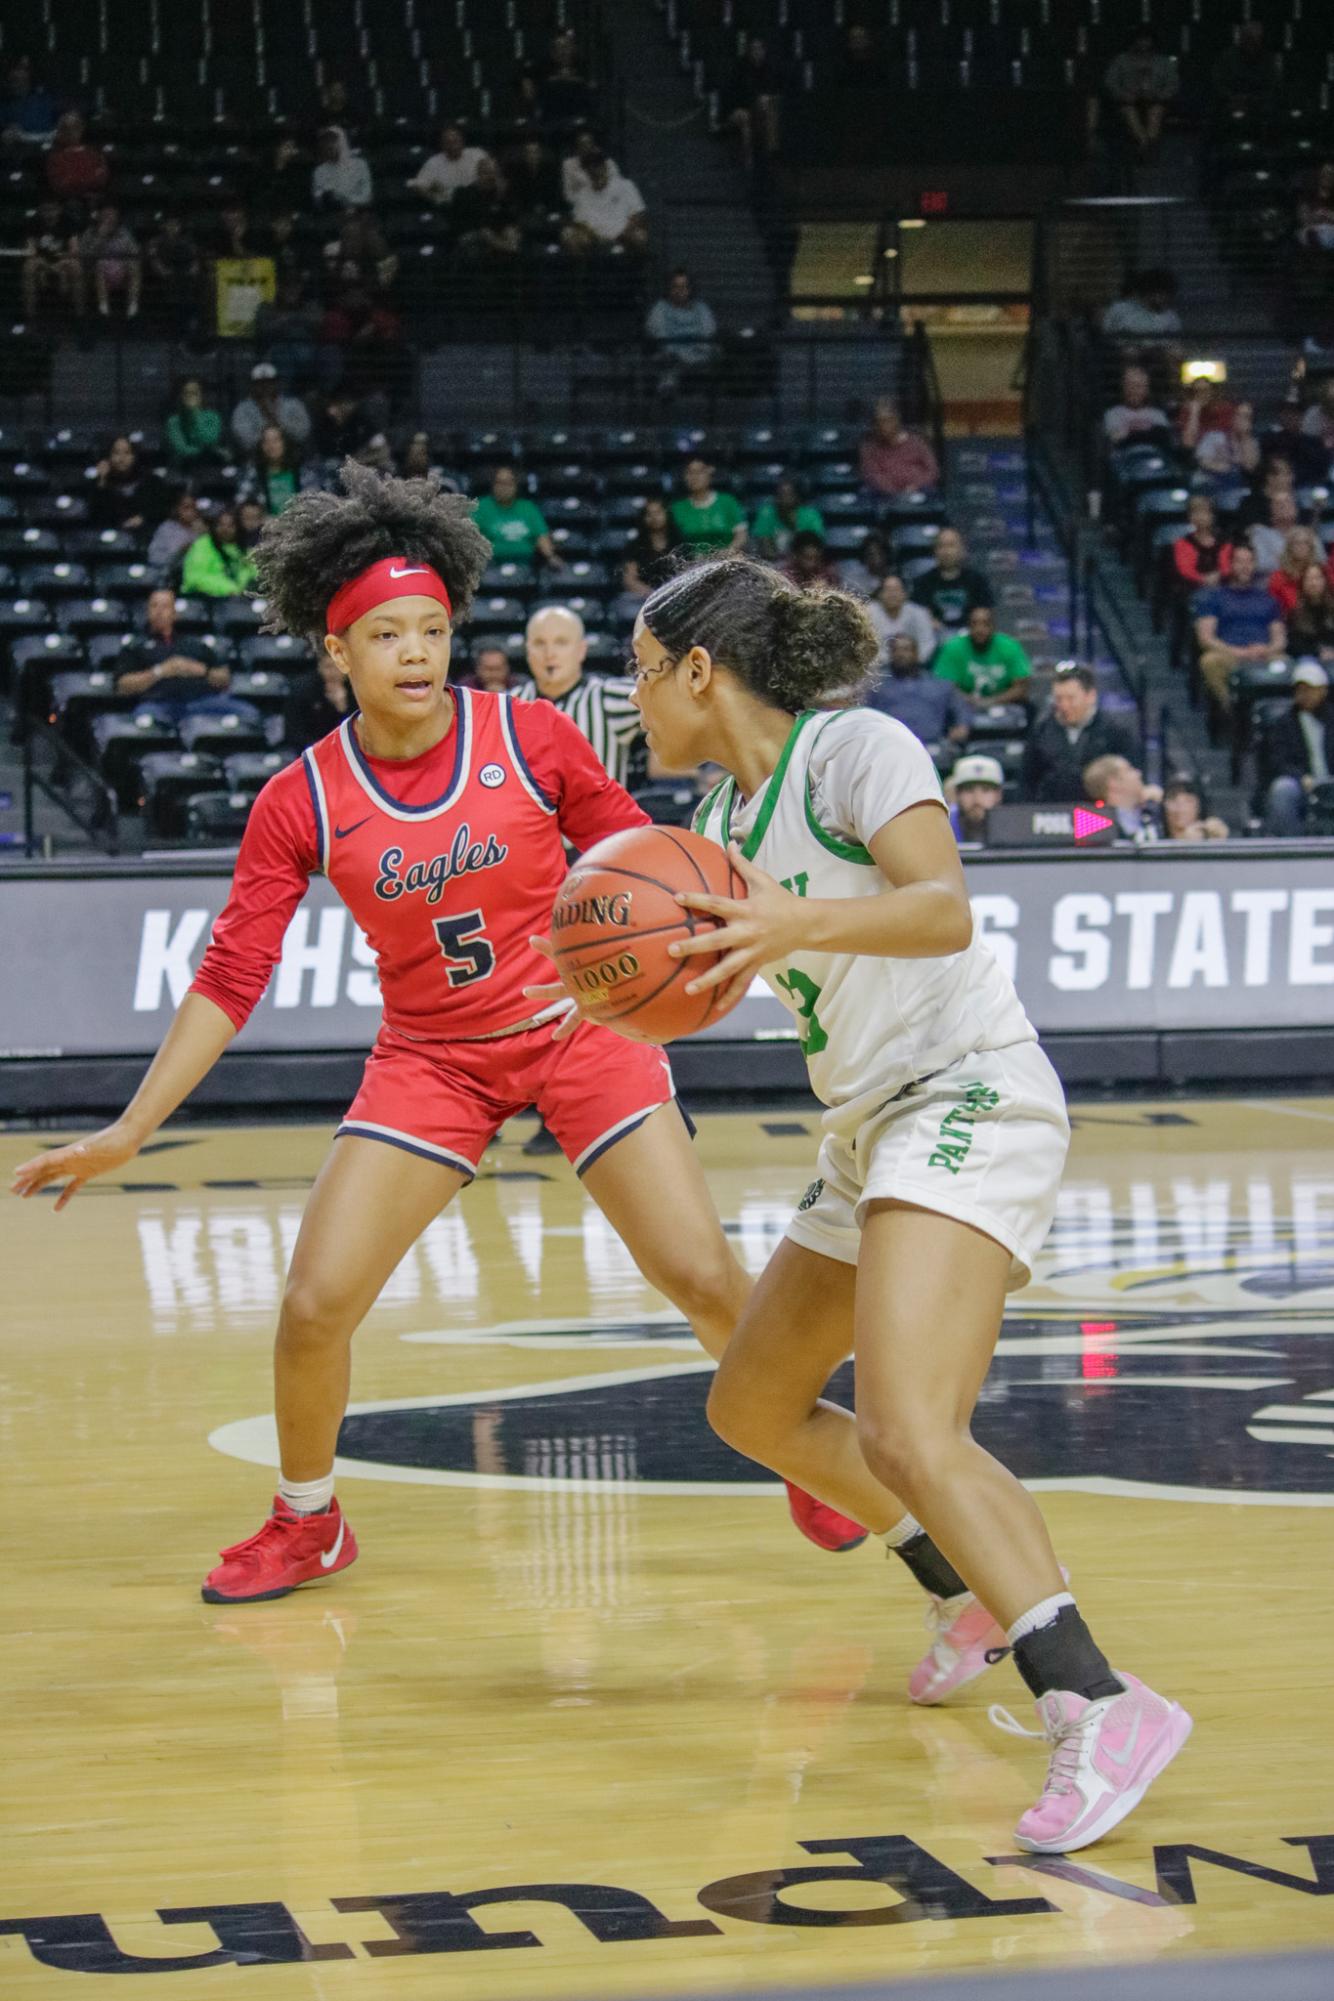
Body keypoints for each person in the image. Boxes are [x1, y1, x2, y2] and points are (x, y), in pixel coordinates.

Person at [12, 468, 866, 1595]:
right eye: (385, 633)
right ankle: (307, 1519)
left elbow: (649, 866)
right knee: (314, 1302)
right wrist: (130, 1128)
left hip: (577, 1033)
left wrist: (675, 969)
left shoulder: (530, 737)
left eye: (431, 628)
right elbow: (232, 972)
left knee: (701, 1275)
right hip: (433, 1058)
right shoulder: (300, 798)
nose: (414, 651)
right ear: (338, 650)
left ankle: (809, 1460)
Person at [609, 554, 1190, 1854]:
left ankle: (1099, 1698)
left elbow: (940, 909)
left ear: (701, 671)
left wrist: (787, 926)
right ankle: (964, 1595)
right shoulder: (717, 820)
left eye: (641, 674)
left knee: (907, 1428)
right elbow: (708, 950)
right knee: (750, 1400)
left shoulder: (852, 748)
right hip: (870, 1127)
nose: (631, 699)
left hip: (965, 1089)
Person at [517, 605, 642, 790]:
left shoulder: (607, 698)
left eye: (561, 642)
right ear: (527, 650)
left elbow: (671, 700)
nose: (549, 653)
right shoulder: (509, 705)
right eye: (539, 643)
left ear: (581, 649)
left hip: (600, 818)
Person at [105, 587, 258, 738]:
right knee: (144, 719)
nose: (159, 611)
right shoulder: (136, 646)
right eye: (154, 606)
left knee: (249, 713)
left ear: (174, 613)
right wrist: (160, 671)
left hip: (201, 701)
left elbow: (224, 679)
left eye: (165, 606)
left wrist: (200, 670)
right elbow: (122, 686)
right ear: (148, 611)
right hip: (158, 704)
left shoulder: (194, 644)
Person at [1020, 664, 1141, 802]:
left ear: (1091, 696)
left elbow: (1131, 778)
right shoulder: (1041, 732)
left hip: (1098, 816)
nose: (1064, 705)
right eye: (1059, 699)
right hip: (1052, 814)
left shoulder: (1116, 732)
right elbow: (1028, 781)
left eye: (1071, 698)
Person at [1193, 543, 1288, 714]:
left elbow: (1280, 639)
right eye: (1239, 561)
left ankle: (1278, 713)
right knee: (1209, 661)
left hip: (1263, 656)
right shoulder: (1214, 598)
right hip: (1230, 656)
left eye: (1249, 561)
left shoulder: (1268, 600)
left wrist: (1265, 650)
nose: (1245, 566)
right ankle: (1232, 709)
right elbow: (1205, 638)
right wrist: (1237, 652)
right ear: (1230, 565)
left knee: (1286, 663)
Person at [1256, 662, 1334, 835]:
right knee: (1283, 790)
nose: (1305, 694)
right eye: (1301, 689)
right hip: (1302, 784)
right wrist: (1302, 778)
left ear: (1323, 690)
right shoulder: (1283, 724)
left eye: (1310, 689)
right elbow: (1277, 762)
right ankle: (1290, 846)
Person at [868, 634, 970, 748]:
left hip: (932, 746)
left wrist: (962, 726)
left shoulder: (939, 684)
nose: (900, 654)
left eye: (906, 650)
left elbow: (961, 708)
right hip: (891, 747)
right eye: (895, 650)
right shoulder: (877, 687)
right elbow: (864, 714)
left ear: (917, 654)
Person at [932, 607, 1033, 706]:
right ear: (968, 627)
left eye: (986, 624)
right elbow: (945, 686)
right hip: (963, 703)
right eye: (974, 624)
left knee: (1029, 708)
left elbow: (1021, 687)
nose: (980, 629)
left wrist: (992, 701)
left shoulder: (1010, 646)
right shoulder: (953, 647)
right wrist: (969, 700)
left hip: (1004, 702)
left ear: (993, 626)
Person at [472, 464, 563, 570]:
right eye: (499, 483)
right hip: (491, 566)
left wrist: (550, 556)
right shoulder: (481, 507)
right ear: (493, 485)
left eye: (508, 483)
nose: (504, 487)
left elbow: (541, 536)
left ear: (516, 486)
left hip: (526, 565)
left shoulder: (528, 507)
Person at [1103, 31, 1177, 157]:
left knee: (1156, 111)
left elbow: (1173, 83)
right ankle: (1144, 142)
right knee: (1129, 112)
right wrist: (1123, 94)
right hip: (1128, 101)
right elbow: (1110, 81)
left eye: (1147, 40)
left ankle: (1149, 143)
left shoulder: (1164, 62)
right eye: (1141, 40)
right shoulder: (1121, 60)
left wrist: (1159, 95)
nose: (1144, 44)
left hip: (1155, 100)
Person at [644, 270, 718, 392]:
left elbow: (708, 331)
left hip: (698, 352)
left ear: (690, 289)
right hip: (670, 354)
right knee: (666, 360)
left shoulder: (702, 308)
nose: (680, 291)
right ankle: (668, 390)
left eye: (684, 286)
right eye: (675, 286)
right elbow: (658, 332)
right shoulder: (660, 308)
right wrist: (674, 352)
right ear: (669, 288)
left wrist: (699, 349)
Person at [562, 152, 648, 256]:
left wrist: (623, 233)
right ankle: (584, 270)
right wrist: (596, 237)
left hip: (624, 235)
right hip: (594, 238)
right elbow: (580, 222)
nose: (595, 171)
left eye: (598, 166)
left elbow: (638, 214)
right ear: (587, 172)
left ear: (605, 167)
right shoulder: (582, 194)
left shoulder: (626, 185)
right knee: (570, 236)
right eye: (590, 168)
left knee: (640, 236)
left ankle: (639, 270)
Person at [912, 528, 993, 635]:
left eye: (951, 546)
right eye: (941, 546)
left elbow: (986, 614)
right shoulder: (923, 582)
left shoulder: (977, 581)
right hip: (934, 638)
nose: (947, 551)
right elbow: (917, 614)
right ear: (935, 551)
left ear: (962, 550)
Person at [722, 35, 783, 170]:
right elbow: (733, 96)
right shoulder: (740, 68)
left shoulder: (769, 69)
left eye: (759, 49)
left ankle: (771, 156)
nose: (757, 52)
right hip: (739, 109)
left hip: (761, 111)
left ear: (764, 51)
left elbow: (773, 91)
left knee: (770, 109)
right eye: (753, 49)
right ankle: (749, 161)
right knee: (745, 118)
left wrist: (765, 99)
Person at [858, 399, 940, 498]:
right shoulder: (870, 448)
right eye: (878, 422)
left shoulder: (917, 442)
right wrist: (895, 492)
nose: (882, 426)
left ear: (897, 420)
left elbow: (932, 470)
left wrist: (915, 486)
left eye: (886, 421)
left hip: (918, 490)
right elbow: (873, 475)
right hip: (886, 495)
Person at [231, 363, 312, 456]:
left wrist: (276, 421)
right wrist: (268, 430)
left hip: (293, 456)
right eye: (260, 383)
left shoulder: (294, 404)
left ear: (277, 383)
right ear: (253, 385)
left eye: (269, 382)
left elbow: (303, 433)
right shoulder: (243, 409)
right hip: (257, 459)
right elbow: (246, 441)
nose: (265, 386)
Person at [77, 202, 140, 319]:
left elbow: (134, 252)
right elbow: (84, 257)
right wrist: (100, 237)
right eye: (106, 214)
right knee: (99, 265)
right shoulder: (90, 233)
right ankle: (103, 308)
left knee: (133, 266)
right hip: (95, 271)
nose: (109, 218)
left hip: (121, 270)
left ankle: (133, 305)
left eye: (112, 215)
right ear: (99, 216)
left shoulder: (124, 233)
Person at [89, 435, 164, 534]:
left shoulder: (151, 480)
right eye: (116, 453)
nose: (121, 458)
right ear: (108, 457)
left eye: (127, 453)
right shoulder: (98, 484)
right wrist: (102, 480)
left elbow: (161, 507)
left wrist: (143, 518)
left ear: (134, 456)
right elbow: (96, 514)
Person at [670, 457, 747, 554]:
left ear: (710, 473)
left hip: (726, 560)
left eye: (699, 472)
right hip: (690, 564)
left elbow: (741, 536)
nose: (694, 477)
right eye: (689, 472)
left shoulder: (728, 502)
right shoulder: (677, 508)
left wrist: (727, 553)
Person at [1081, 754, 1163, 844]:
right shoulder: (1095, 825)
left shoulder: (1155, 811)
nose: (1138, 773)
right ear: (1113, 783)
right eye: (1129, 770)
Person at [181, 506, 260, 598]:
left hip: (238, 601)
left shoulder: (243, 549)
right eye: (221, 525)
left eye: (230, 526)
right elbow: (195, 578)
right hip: (205, 600)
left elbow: (254, 573)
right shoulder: (202, 545)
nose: (225, 529)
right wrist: (231, 589)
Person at [21, 198, 81, 319]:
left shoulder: (68, 221)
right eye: (45, 210)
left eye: (52, 209)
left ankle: (80, 313)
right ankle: (29, 314)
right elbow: (31, 250)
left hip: (64, 258)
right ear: (40, 211)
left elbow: (74, 250)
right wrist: (47, 266)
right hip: (41, 259)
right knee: (28, 267)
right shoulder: (33, 222)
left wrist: (59, 265)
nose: (49, 213)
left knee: (76, 267)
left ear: (59, 209)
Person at [451, 157, 522, 258]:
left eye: (494, 173)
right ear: (478, 174)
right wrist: (490, 229)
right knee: (486, 233)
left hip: (496, 230)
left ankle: (507, 250)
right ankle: (510, 249)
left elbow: (511, 218)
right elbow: (472, 220)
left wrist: (501, 196)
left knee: (511, 231)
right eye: (486, 173)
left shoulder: (500, 193)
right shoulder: (464, 193)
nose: (491, 177)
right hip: (472, 231)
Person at [283, 650, 351, 751]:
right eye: (328, 667)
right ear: (319, 667)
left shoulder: (356, 689)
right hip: (310, 749)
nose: (333, 673)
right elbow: (294, 730)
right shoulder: (303, 689)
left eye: (337, 666)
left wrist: (343, 708)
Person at [865, 572, 937, 668]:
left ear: (905, 594)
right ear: (880, 594)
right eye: (888, 590)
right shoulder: (868, 613)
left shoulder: (919, 613)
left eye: (896, 590)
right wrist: (893, 661)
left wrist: (913, 660)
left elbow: (927, 643)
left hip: (915, 665)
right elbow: (867, 647)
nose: (892, 594)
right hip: (880, 668)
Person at [410, 123, 490, 205]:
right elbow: (418, 186)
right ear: (442, 144)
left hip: (478, 202)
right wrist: (437, 199)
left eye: (455, 140)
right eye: (448, 142)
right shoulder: (433, 162)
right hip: (449, 206)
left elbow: (493, 178)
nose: (453, 145)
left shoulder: (478, 154)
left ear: (462, 140)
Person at [241, 423, 311, 516]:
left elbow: (314, 503)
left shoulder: (303, 472)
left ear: (285, 443)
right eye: (266, 441)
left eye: (276, 440)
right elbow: (242, 503)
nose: (271, 445)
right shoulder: (254, 475)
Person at [751, 477, 825, 561]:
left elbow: (813, 547)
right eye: (780, 494)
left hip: (801, 564)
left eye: (788, 494)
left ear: (797, 496)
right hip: (773, 563)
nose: (783, 498)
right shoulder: (767, 513)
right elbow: (764, 545)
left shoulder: (811, 515)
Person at [622, 496, 682, 598]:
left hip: (675, 595)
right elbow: (629, 579)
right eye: (649, 514)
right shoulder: (635, 545)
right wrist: (652, 595)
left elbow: (686, 573)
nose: (654, 518)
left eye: (658, 513)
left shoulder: (679, 542)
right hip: (644, 596)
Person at [44, 109, 108, 204]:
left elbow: (101, 178)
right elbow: (59, 184)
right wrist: (85, 182)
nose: (70, 132)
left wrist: (77, 181)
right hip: (66, 202)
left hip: (94, 199)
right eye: (65, 129)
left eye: (75, 128)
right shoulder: (55, 157)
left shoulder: (94, 153)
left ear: (82, 129)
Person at [1268, 528, 1332, 621]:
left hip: (1323, 619)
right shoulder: (1278, 577)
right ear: (1289, 547)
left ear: (1311, 547)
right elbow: (1274, 608)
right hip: (1290, 623)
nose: (1302, 546)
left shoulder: (1322, 571)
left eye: (1305, 543)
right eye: (1297, 543)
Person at [1100, 270, 1182, 342]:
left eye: (1165, 294)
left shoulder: (1170, 316)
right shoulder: (1120, 309)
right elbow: (1107, 332)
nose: (1162, 298)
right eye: (1159, 293)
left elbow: (1175, 341)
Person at [1103, 365, 1170, 448]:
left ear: (1146, 390)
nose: (1134, 390)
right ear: (1123, 388)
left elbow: (1164, 440)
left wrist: (1129, 433)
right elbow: (1116, 439)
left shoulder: (1158, 415)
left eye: (1138, 386)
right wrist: (1148, 434)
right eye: (1130, 385)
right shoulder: (1113, 414)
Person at [1173, 496, 1232, 589]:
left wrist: (1218, 575)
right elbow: (1185, 570)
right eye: (1195, 513)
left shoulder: (1224, 542)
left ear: (1212, 516)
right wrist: (1203, 579)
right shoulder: (1183, 543)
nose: (1200, 517)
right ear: (1190, 517)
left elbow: (1227, 566)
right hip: (1193, 590)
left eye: (1204, 512)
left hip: (1222, 588)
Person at [164, 377, 225, 467]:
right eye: (186, 393)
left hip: (210, 466)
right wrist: (209, 451)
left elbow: (210, 439)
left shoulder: (213, 417)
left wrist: (195, 415)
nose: (190, 396)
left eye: (194, 393)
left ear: (201, 396)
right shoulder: (173, 421)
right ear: (181, 396)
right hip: (184, 467)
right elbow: (181, 449)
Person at [1248, 489, 1309, 579]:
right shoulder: (1260, 534)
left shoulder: (1307, 533)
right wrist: (1296, 559)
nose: (1284, 506)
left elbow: (1320, 561)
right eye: (1279, 504)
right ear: (1271, 511)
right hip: (1271, 584)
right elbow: (1262, 564)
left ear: (1296, 509)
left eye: (1288, 502)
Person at [945, 752, 1004, 843]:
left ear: (998, 795)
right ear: (957, 794)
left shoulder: (1012, 826)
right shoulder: (942, 825)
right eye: (969, 790)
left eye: (986, 790)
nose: (977, 799)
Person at [311, 126, 372, 210]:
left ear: (342, 141)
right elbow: (317, 200)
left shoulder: (360, 165)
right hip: (332, 216)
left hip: (358, 213)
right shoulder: (319, 171)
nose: (329, 145)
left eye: (333, 141)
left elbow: (367, 197)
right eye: (326, 141)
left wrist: (344, 199)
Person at [147, 490, 206, 575]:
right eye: (186, 507)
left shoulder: (204, 529)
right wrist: (179, 552)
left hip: (198, 573)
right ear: (177, 508)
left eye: (193, 507)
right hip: (170, 574)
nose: (190, 512)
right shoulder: (166, 528)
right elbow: (153, 557)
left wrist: (203, 535)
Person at [1286, 562, 1334, 665]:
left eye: (1317, 578)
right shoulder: (1295, 614)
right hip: (1309, 660)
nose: (1313, 583)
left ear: (1325, 581)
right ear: (1302, 584)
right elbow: (1294, 646)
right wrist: (1318, 653)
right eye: (1309, 579)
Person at [1161, 775, 1229, 843]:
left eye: (1188, 800)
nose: (1180, 807)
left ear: (1199, 806)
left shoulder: (1209, 836)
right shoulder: (1154, 837)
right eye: (1173, 799)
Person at [838, 530, 892, 599]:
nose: (876, 558)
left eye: (880, 553)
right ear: (864, 555)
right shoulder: (852, 578)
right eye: (871, 554)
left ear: (886, 555)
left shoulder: (894, 576)